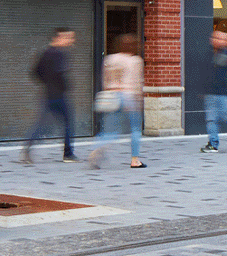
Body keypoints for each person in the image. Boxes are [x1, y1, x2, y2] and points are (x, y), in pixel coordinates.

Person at [23, 27, 79, 164]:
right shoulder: (59, 54)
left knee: (43, 124)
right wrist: (63, 86)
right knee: (67, 124)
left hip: (48, 93)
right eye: (68, 37)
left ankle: (28, 148)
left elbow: (35, 71)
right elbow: (59, 73)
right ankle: (68, 154)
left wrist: (47, 83)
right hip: (58, 95)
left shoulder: (46, 52)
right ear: (58, 37)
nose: (71, 40)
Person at [88, 34, 145, 169]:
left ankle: (97, 148)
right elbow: (137, 83)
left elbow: (105, 79)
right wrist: (139, 100)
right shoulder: (135, 60)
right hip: (129, 97)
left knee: (110, 131)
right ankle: (135, 160)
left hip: (112, 96)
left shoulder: (110, 59)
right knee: (135, 129)